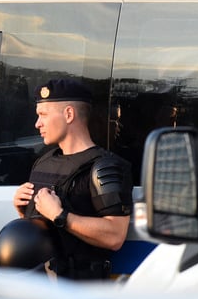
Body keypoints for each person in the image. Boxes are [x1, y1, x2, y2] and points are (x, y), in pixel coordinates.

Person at [11, 78, 133, 280]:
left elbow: (115, 236)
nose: (37, 123)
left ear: (69, 114)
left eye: (43, 115)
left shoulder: (104, 167)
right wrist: (25, 213)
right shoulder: (44, 162)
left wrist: (60, 215)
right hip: (39, 288)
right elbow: (47, 236)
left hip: (78, 294)